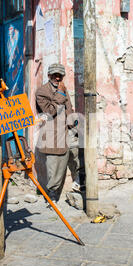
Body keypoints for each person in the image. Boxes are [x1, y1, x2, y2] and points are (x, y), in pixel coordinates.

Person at [35, 63, 82, 202]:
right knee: (55, 166)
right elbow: (49, 111)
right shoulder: (42, 91)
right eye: (54, 75)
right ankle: (52, 195)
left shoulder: (62, 88)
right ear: (49, 76)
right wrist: (60, 94)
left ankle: (79, 184)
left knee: (78, 157)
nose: (57, 78)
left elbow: (68, 107)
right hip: (53, 134)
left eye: (60, 75)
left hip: (69, 131)